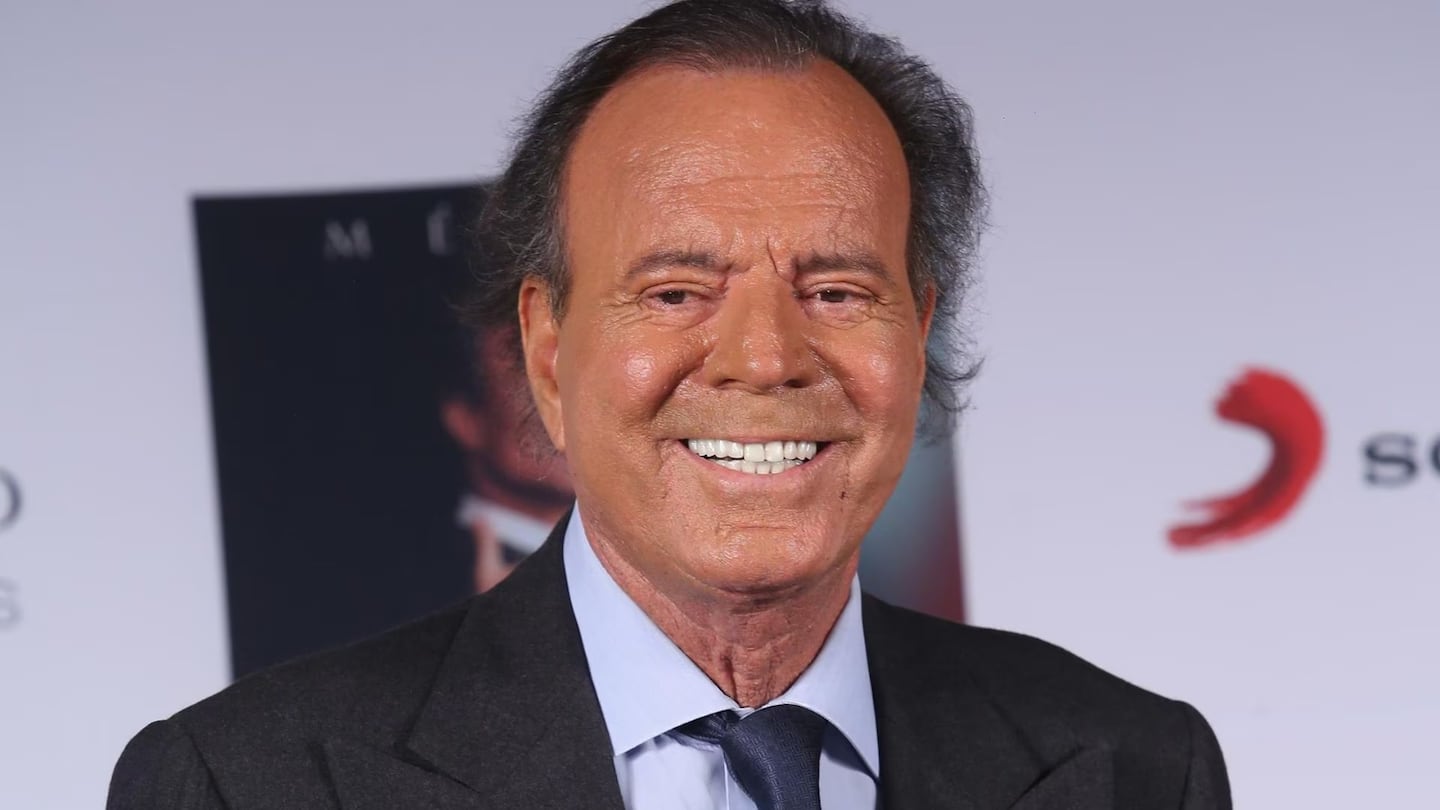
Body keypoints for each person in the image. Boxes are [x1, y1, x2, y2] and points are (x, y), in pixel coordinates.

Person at [108, 1, 1231, 808]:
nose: (766, 359)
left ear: (918, 329)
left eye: (837, 291)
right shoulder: (248, 783)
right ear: (549, 351)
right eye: (676, 291)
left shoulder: (1134, 768)